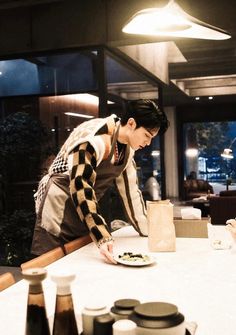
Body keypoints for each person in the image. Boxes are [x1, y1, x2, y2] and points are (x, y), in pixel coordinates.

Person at [31, 99, 169, 264]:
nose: (148, 143)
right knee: (49, 270)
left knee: (79, 266)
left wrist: (150, 232)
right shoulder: (93, 137)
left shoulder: (127, 151)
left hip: (84, 211)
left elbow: (132, 195)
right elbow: (80, 185)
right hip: (58, 208)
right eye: (147, 135)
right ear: (131, 123)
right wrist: (102, 236)